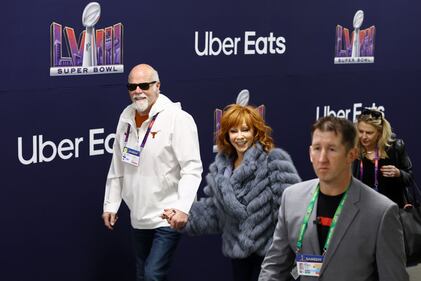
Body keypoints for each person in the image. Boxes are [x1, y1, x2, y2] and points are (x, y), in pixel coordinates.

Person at [259, 116, 408, 281]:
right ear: (310, 153)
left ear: (351, 155)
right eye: (317, 148)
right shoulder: (292, 198)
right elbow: (274, 267)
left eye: (331, 149)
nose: (322, 158)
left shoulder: (381, 212)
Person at [164, 104, 301, 281]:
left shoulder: (274, 161)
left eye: (245, 130)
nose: (240, 136)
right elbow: (215, 213)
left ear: (256, 132)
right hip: (239, 256)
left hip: (272, 255)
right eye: (234, 131)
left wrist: (287, 250)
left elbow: (292, 209)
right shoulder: (220, 170)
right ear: (227, 135)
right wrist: (185, 217)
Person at [102, 64, 203, 281]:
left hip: (167, 214)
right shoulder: (126, 118)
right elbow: (117, 165)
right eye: (132, 86)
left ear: (157, 86)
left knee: (152, 275)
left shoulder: (178, 118)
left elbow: (192, 168)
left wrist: (182, 208)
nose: (137, 91)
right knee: (142, 274)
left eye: (144, 85)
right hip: (138, 214)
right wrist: (111, 204)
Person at [353, 108, 414, 208]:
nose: (363, 137)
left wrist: (399, 173)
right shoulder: (353, 150)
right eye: (360, 131)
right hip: (363, 212)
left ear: (379, 133)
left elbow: (410, 178)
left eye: (369, 133)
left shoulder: (395, 147)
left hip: (392, 212)